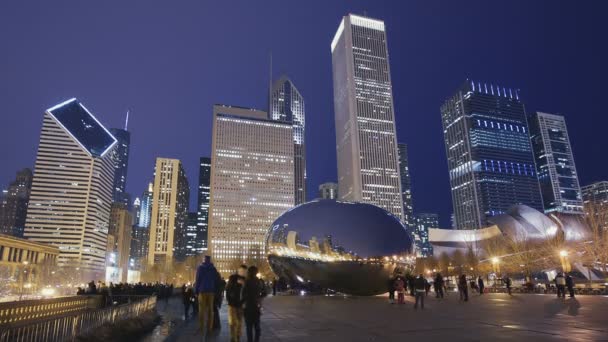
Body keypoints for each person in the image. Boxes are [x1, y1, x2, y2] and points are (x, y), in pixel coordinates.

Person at [194, 255, 221, 336]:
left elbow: (198, 279)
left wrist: (196, 291)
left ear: (204, 260)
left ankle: (202, 327)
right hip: (211, 292)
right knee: (210, 310)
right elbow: (217, 280)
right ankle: (209, 327)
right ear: (210, 260)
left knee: (201, 310)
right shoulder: (213, 269)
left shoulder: (200, 268)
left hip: (202, 291)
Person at [242, 266, 267, 342]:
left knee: (249, 327)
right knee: (257, 326)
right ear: (256, 272)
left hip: (248, 307)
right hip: (256, 306)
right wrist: (259, 297)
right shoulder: (259, 281)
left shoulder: (246, 281)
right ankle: (256, 340)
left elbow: (243, 294)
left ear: (249, 272)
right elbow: (264, 292)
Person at [226, 265, 247, 342]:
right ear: (239, 270)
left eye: (244, 271)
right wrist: (238, 284)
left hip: (240, 304)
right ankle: (233, 338)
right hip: (232, 304)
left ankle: (237, 336)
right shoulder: (233, 278)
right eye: (242, 270)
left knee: (239, 322)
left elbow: (246, 293)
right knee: (233, 322)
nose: (243, 272)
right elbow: (229, 290)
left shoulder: (245, 280)